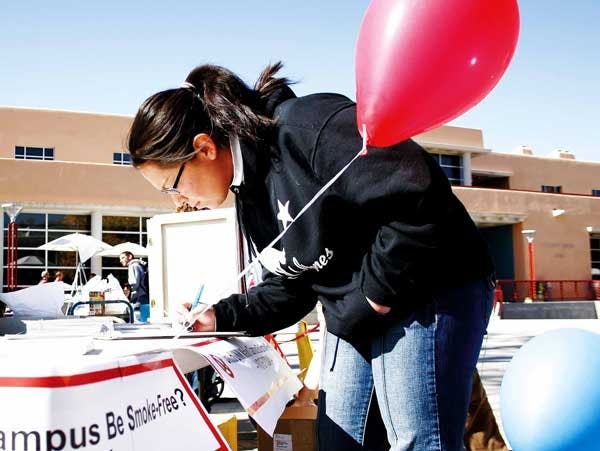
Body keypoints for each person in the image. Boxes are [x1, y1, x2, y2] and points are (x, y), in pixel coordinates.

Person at [127, 62, 495, 450]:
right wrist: (220, 316)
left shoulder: (307, 127)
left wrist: (373, 298)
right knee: (339, 440)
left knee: (417, 440)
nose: (179, 201)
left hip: (430, 285)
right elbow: (292, 281)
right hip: (358, 310)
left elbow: (417, 197)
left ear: (204, 147)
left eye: (172, 186)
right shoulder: (249, 194)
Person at [119, 251, 149, 322]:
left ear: (130, 257)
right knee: (145, 320)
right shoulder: (139, 265)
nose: (121, 260)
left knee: (137, 321)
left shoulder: (133, 266)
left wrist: (128, 288)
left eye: (123, 258)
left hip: (138, 297)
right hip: (143, 296)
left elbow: (134, 283)